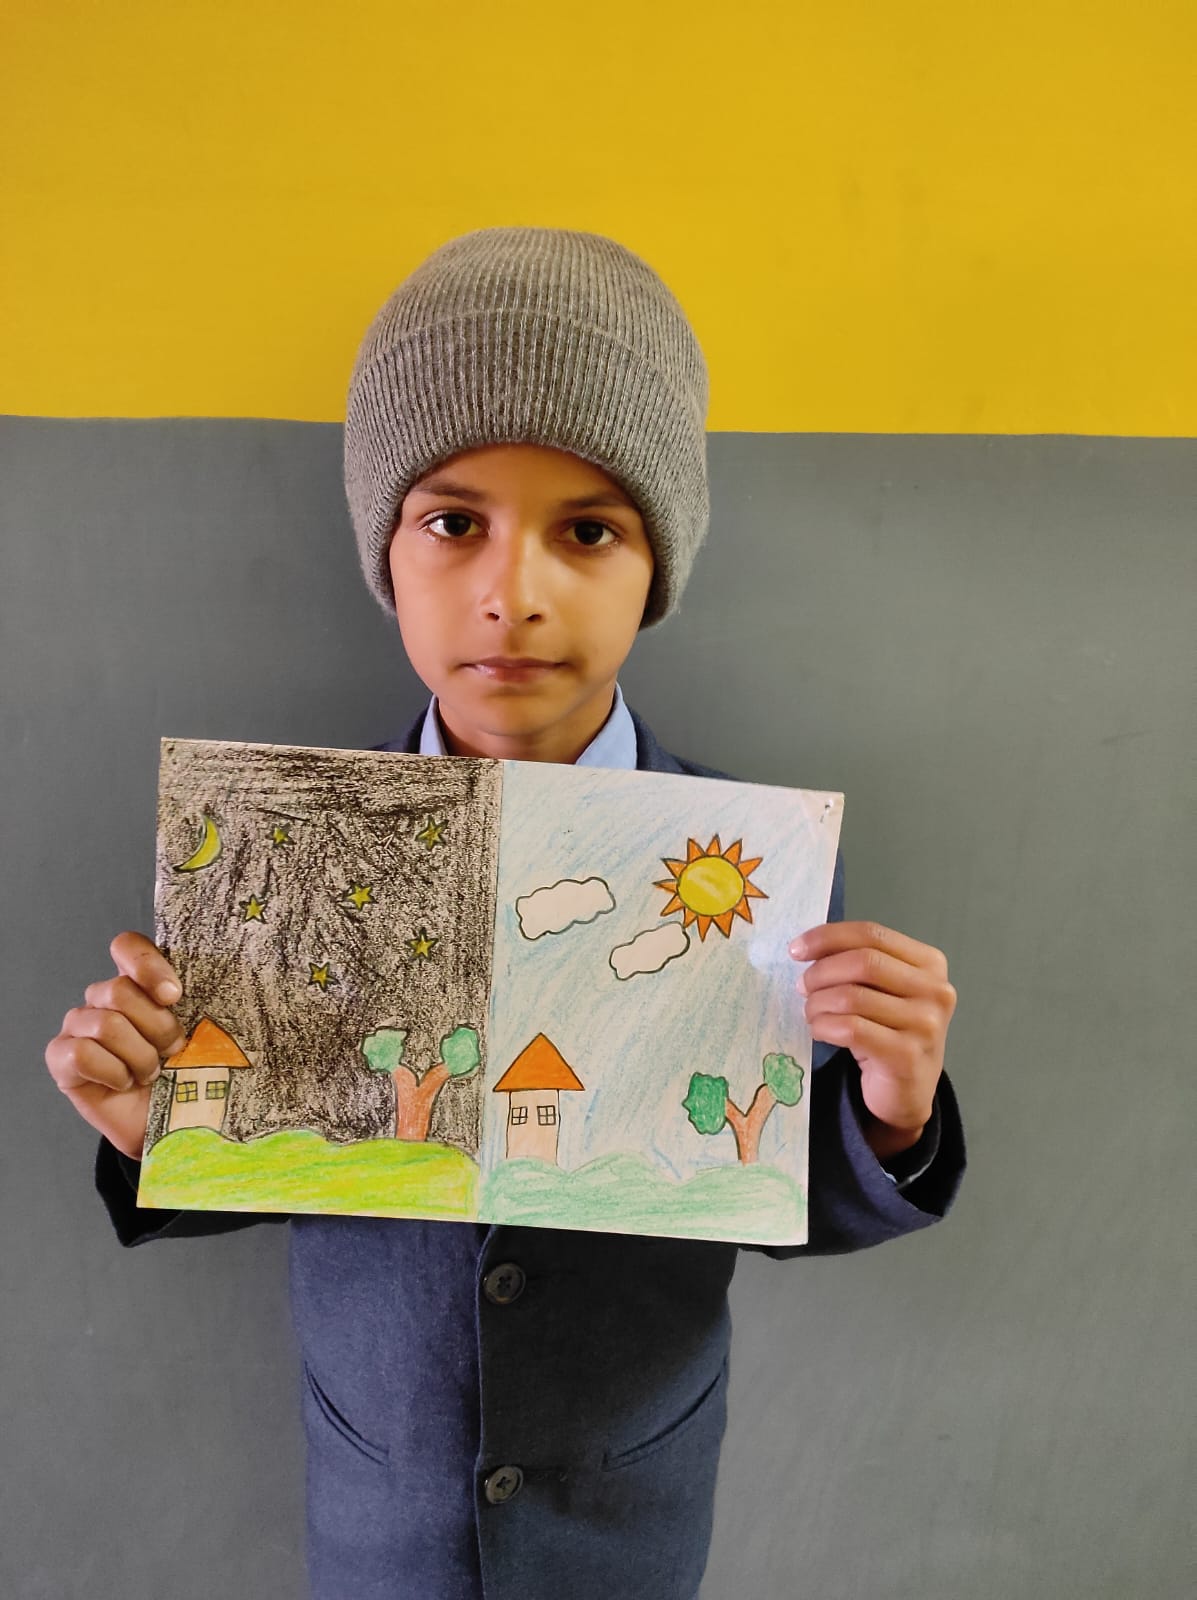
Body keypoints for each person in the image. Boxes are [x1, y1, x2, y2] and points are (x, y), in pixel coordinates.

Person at [44, 227, 964, 1600]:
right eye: (451, 521)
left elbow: (766, 1188)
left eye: (586, 529)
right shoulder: (278, 863)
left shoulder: (749, 870)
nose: (511, 593)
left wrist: (887, 1114)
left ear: (657, 565)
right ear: (386, 552)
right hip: (378, 1497)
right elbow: (293, 1143)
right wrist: (156, 1132)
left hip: (625, 1505)